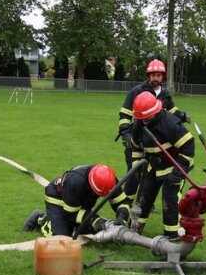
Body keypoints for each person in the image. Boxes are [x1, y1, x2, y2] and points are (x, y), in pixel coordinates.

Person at [117, 59, 190, 200]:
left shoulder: (166, 94)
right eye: (153, 75)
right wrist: (126, 135)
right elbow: (125, 114)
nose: (156, 78)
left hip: (157, 143)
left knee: (151, 175)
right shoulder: (136, 92)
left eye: (158, 75)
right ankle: (125, 203)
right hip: (137, 140)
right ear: (148, 76)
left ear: (162, 76)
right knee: (134, 174)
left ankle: (144, 203)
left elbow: (171, 111)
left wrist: (181, 115)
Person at [129, 91, 195, 239]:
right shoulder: (138, 124)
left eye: (147, 117)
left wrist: (177, 173)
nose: (144, 120)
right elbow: (135, 148)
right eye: (141, 118)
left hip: (173, 167)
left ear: (155, 111)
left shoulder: (169, 123)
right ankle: (135, 227)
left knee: (169, 200)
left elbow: (188, 146)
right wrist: (137, 168)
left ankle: (172, 234)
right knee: (144, 197)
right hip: (153, 167)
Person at [22, 164, 129, 237]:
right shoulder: (75, 182)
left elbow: (123, 202)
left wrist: (122, 218)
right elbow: (70, 214)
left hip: (79, 200)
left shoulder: (109, 179)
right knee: (61, 238)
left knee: (91, 232)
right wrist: (94, 219)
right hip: (58, 198)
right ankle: (41, 218)